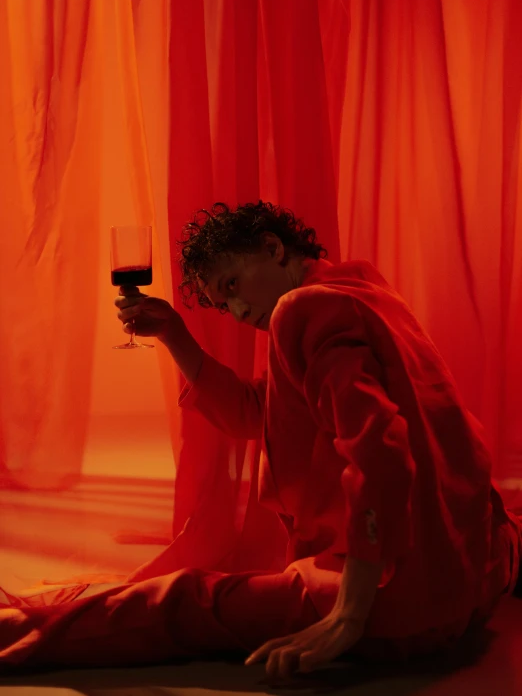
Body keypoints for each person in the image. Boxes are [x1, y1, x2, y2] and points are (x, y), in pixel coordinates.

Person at [0, 200, 521, 679]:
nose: (238, 312)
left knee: (186, 601)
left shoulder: (304, 309)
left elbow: (381, 450)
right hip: (476, 575)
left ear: (272, 248)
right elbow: (256, 414)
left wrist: (349, 613)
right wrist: (176, 335)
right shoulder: (360, 288)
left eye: (231, 285)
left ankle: (16, 633)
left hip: (399, 605)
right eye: (222, 307)